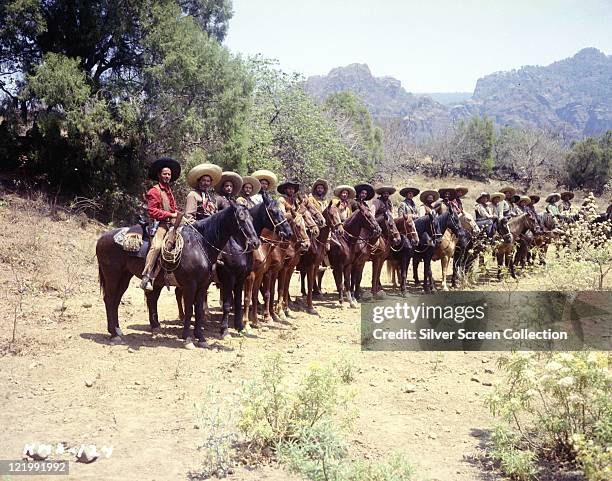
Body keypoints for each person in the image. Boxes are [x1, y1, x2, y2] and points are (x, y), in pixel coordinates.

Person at [140, 157, 181, 291]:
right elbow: (152, 211)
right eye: (165, 174)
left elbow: (173, 208)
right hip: (160, 224)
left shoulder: (169, 191)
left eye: (169, 174)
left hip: (171, 223)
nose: (167, 176)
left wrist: (178, 214)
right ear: (159, 175)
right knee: (157, 246)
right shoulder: (154, 191)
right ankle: (146, 276)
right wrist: (170, 215)